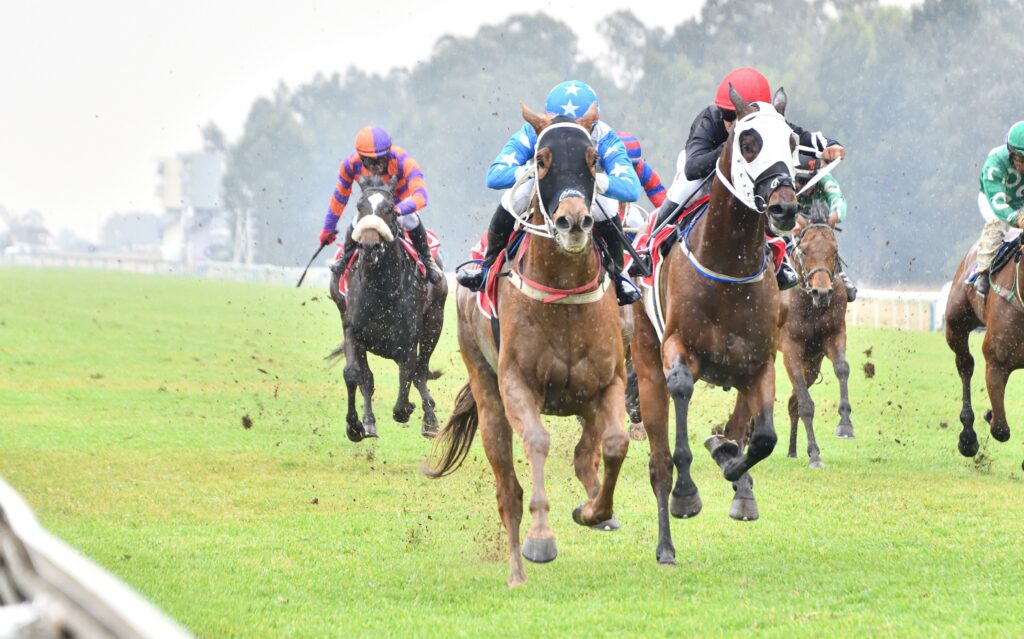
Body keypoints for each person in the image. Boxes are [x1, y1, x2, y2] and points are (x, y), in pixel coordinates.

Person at [652, 67, 846, 290]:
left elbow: (802, 136)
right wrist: (732, 148)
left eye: (739, 116)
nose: (733, 123)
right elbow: (692, 168)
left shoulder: (767, 122)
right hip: (705, 176)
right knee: (681, 189)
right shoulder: (709, 119)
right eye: (729, 116)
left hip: (745, 181)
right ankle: (653, 244)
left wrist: (830, 145)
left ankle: (780, 262)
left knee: (770, 195)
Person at [454, 81, 643, 305]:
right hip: (545, 191)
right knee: (512, 199)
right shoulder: (534, 131)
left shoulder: (605, 136)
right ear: (546, 121)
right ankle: (487, 267)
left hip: (586, 195)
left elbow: (631, 188)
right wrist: (535, 171)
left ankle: (617, 276)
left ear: (593, 123)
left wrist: (592, 178)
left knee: (609, 208)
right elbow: (494, 175)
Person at [319, 125, 441, 283]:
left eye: (382, 159)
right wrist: (328, 228)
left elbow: (421, 196)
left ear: (389, 151)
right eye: (371, 161)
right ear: (361, 157)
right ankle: (344, 259)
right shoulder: (349, 165)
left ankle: (428, 261)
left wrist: (400, 209)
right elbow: (340, 197)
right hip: (371, 208)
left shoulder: (403, 160)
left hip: (399, 206)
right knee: (356, 222)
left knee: (410, 219)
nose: (377, 165)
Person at [792, 155, 858, 301]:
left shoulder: (825, 180)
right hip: (793, 222)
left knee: (826, 245)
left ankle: (840, 273)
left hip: (820, 224)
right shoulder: (787, 182)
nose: (806, 186)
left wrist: (835, 215)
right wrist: (792, 223)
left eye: (810, 181)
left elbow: (838, 200)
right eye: (801, 181)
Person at [972, 121, 1024, 297]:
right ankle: (983, 272)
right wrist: (1016, 218)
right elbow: (998, 202)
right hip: (992, 200)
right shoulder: (996, 161)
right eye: (1021, 160)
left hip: (1021, 203)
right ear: (1012, 154)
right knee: (997, 222)